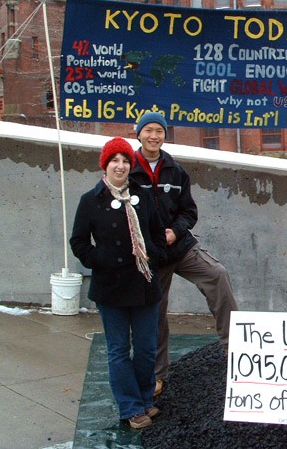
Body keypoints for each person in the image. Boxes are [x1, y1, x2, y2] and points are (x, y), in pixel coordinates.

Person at [129, 112, 238, 397]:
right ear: (138, 133)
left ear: (165, 135)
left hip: (180, 247)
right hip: (152, 256)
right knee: (156, 313)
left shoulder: (176, 171)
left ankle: (236, 348)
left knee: (218, 274)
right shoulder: (127, 171)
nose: (154, 136)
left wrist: (175, 232)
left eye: (159, 131)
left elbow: (189, 212)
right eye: (148, 130)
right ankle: (157, 375)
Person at [70, 137, 167, 430]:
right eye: (115, 160)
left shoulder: (143, 196)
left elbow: (158, 234)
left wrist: (154, 255)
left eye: (125, 160)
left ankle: (144, 398)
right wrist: (101, 259)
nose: (121, 166)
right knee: (118, 349)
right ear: (105, 164)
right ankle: (131, 407)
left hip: (144, 284)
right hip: (110, 287)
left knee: (148, 347)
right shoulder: (90, 200)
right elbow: (78, 241)